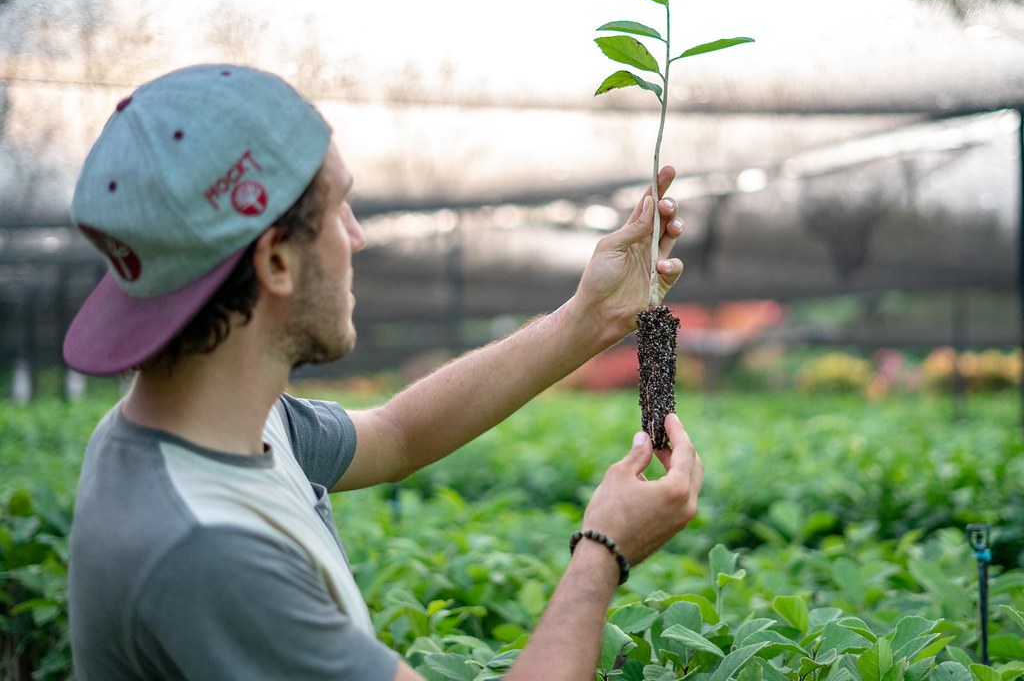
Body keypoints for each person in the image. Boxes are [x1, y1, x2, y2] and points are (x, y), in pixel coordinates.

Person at [63, 63, 704, 680]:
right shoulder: (207, 552)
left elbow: (398, 433)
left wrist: (587, 317)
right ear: (277, 261)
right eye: (339, 208)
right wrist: (603, 552)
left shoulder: (218, 424)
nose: (358, 235)